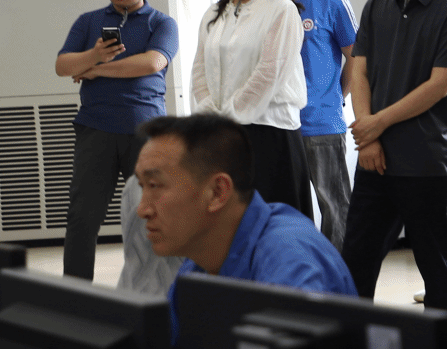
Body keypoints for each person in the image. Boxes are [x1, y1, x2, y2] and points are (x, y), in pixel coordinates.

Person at [341, 0, 447, 308]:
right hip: (374, 159)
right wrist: (368, 136)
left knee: (437, 266)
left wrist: (376, 124)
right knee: (355, 262)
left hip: (424, 161)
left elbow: (438, 85)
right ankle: (353, 340)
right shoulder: (376, 5)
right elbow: (359, 72)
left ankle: (442, 343)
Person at [55, 0, 179, 282]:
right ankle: (75, 291)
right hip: (95, 130)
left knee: (153, 213)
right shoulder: (88, 22)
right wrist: (93, 55)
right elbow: (63, 66)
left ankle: (157, 288)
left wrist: (96, 69)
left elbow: (152, 63)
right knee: (82, 217)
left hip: (146, 133)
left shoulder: (162, 23)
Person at [133, 112, 354, 297]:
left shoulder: (290, 263)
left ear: (217, 192)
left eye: (155, 185)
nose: (142, 210)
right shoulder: (196, 266)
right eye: (142, 186)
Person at [190, 0, 309, 215]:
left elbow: (269, 74)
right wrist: (210, 116)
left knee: (275, 226)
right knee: (230, 224)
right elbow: (199, 71)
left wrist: (227, 117)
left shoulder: (281, 10)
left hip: (270, 134)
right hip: (224, 134)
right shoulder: (214, 13)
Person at [273, 0, 357, 250]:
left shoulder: (332, 4)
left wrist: (336, 96)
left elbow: (357, 59)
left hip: (321, 123)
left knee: (336, 209)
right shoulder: (268, 3)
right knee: (286, 210)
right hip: (278, 124)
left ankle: (339, 275)